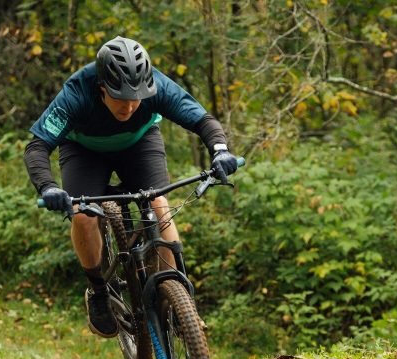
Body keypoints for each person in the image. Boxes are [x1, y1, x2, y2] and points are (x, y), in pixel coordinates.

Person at [24, 36, 238, 338]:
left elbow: (202, 120)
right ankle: (98, 291)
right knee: (83, 214)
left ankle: (177, 299)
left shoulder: (157, 86)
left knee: (159, 204)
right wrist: (47, 187)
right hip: (84, 151)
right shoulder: (77, 92)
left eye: (137, 97)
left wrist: (220, 150)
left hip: (139, 143)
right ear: (102, 87)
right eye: (120, 97)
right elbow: (37, 146)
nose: (130, 105)